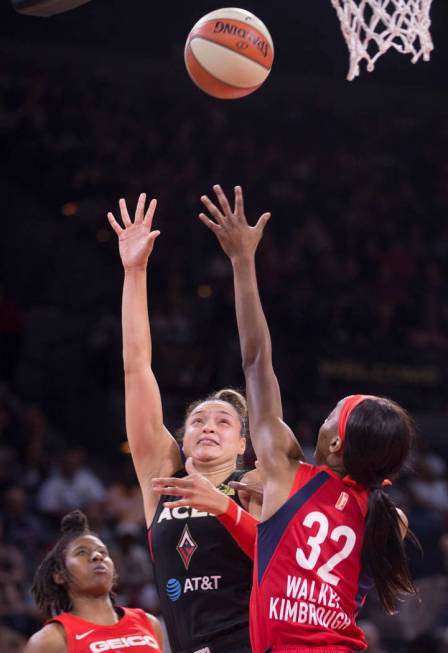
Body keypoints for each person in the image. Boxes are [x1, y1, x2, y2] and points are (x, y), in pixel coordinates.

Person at [194, 184, 417, 653]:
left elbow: (256, 359)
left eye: (333, 413)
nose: (324, 416)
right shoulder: (388, 517)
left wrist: (242, 261)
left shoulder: (285, 469)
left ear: (336, 444)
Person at [107, 194, 261, 653]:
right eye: (197, 420)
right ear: (183, 438)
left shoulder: (255, 484)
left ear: (242, 445)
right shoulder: (162, 478)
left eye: (223, 422)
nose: (208, 426)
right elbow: (137, 367)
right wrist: (134, 274)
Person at [24, 510, 164, 653]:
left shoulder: (149, 623)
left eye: (103, 552)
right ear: (59, 575)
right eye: (82, 552)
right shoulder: (50, 640)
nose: (97, 556)